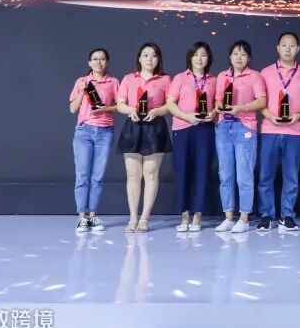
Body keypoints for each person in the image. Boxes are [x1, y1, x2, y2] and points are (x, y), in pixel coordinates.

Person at [258, 31, 300, 232]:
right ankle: (266, 215)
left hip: (295, 131)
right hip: (270, 129)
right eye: (284, 45)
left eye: (292, 45)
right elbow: (260, 102)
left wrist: (299, 115)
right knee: (266, 175)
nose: (288, 49)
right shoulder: (265, 73)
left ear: (298, 49)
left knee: (291, 175)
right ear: (277, 48)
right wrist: (269, 115)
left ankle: (287, 215)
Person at [115, 42, 173, 233]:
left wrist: (157, 111)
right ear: (139, 58)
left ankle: (145, 218)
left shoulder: (165, 80)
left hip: (155, 127)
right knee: (133, 175)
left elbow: (171, 105)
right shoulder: (128, 79)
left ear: (158, 59)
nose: (149, 59)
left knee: (151, 173)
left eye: (154, 55)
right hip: (133, 126)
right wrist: (130, 109)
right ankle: (133, 218)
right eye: (146, 55)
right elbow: (120, 104)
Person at [213, 41, 267, 234]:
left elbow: (262, 101)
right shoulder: (222, 76)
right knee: (225, 173)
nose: (238, 57)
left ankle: (244, 218)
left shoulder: (255, 76)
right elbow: (218, 98)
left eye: (243, 54)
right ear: (230, 56)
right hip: (223, 127)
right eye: (235, 53)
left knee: (244, 174)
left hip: (245, 127)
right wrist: (219, 106)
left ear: (248, 58)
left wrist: (242, 108)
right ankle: (228, 217)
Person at [165, 41, 216, 233]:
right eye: (196, 55)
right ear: (190, 58)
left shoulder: (214, 80)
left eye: (203, 55)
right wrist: (187, 117)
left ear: (208, 58)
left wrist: (213, 113)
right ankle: (184, 215)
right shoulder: (180, 78)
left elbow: (218, 104)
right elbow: (170, 103)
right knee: (183, 171)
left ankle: (198, 215)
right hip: (183, 128)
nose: (199, 58)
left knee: (202, 171)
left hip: (205, 129)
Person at [68, 48, 118, 233]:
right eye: (95, 59)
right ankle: (81, 217)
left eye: (102, 59)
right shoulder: (81, 81)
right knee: (82, 175)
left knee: (98, 176)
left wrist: (105, 108)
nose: (98, 62)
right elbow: (73, 108)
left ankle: (92, 216)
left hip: (105, 132)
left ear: (107, 62)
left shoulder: (113, 82)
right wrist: (82, 92)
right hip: (84, 132)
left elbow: (120, 106)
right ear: (89, 63)